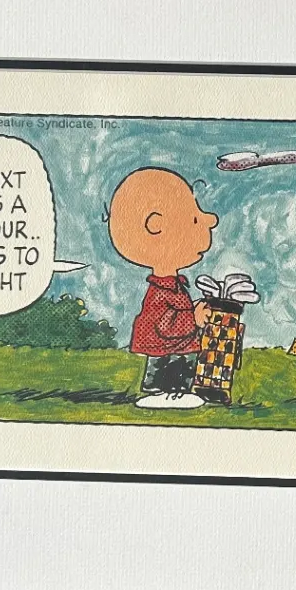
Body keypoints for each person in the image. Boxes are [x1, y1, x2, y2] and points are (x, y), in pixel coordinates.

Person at [107, 167, 219, 409]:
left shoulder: (175, 285)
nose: (211, 221)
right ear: (156, 226)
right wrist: (193, 318)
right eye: (194, 219)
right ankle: (162, 393)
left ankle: (178, 391)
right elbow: (164, 323)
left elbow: (175, 316)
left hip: (182, 345)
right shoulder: (160, 291)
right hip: (166, 347)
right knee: (166, 367)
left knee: (183, 365)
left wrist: (194, 311)